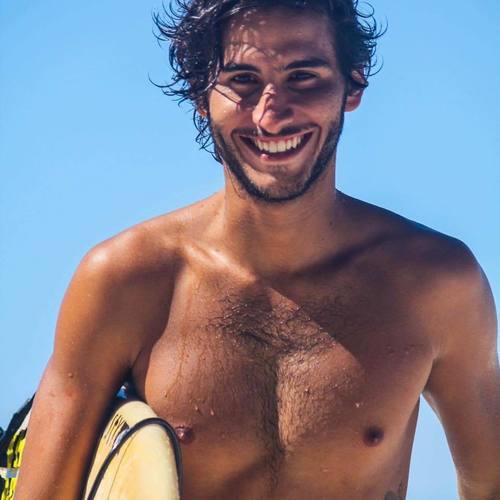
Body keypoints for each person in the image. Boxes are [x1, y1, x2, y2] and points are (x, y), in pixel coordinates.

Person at [14, 0, 500, 498]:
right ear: (201, 94)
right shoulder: (124, 283)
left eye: (303, 77)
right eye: (242, 80)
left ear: (352, 85)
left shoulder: (435, 287)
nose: (271, 115)